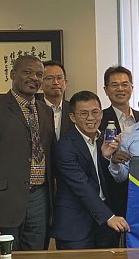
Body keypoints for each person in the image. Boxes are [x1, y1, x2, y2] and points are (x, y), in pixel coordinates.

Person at [0, 55, 56, 250]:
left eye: (39, 75)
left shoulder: (45, 111)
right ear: (13, 74)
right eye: (28, 72)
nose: (34, 78)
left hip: (39, 198)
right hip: (3, 203)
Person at [50, 91, 130, 249]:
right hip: (76, 225)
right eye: (84, 113)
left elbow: (108, 182)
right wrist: (109, 217)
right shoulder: (65, 146)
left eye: (95, 112)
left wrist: (107, 158)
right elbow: (81, 185)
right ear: (73, 117)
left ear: (101, 113)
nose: (91, 118)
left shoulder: (105, 140)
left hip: (104, 225)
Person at [101, 65, 139, 217]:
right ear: (106, 90)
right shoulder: (99, 119)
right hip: (112, 192)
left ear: (132, 88)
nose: (120, 89)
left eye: (125, 84)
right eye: (114, 85)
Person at [42, 60, 72, 140]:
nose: (55, 82)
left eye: (59, 78)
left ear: (65, 83)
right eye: (49, 78)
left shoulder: (73, 109)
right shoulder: (34, 109)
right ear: (40, 83)